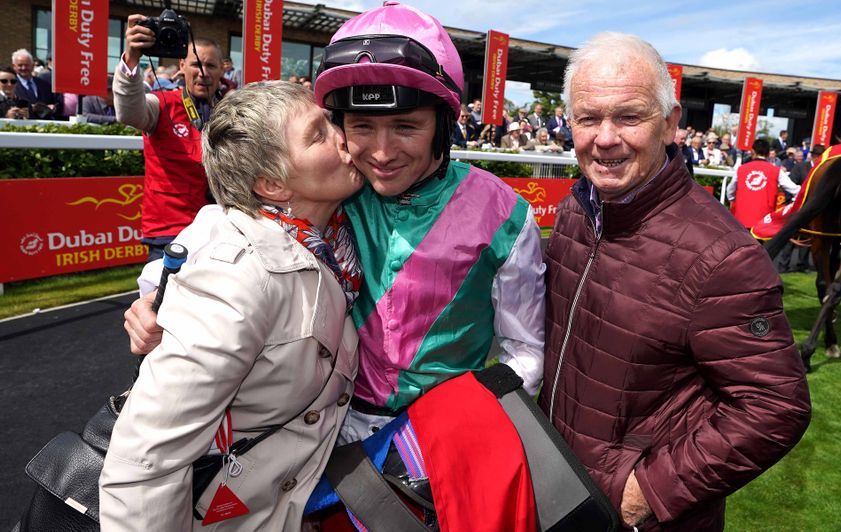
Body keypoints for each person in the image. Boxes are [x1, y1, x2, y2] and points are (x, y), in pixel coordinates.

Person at [125, 0, 544, 442]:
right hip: (325, 436)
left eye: (406, 127)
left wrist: (456, 425)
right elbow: (219, 228)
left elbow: (526, 355)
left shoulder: (506, 216)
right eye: (362, 127)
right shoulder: (335, 186)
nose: (381, 154)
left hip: (440, 443)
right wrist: (152, 299)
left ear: (444, 123)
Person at [539, 32, 810, 531]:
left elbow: (776, 407)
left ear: (669, 125)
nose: (604, 137)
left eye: (628, 116)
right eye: (588, 117)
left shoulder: (722, 256)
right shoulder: (577, 209)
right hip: (556, 489)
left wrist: (644, 493)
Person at [100, 81, 364, 530]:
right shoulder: (238, 276)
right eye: (319, 133)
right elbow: (144, 464)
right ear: (272, 184)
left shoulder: (332, 236)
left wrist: (151, 299)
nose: (344, 136)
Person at [113, 14, 225, 260]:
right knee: (163, 299)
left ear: (222, 69)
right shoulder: (161, 103)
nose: (203, 73)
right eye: (196, 64)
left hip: (221, 229)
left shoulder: (231, 109)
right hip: (170, 230)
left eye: (211, 66)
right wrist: (132, 59)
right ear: (182, 66)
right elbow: (129, 112)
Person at [727, 138, 799, 229]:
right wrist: (792, 204)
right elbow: (796, 190)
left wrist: (734, 199)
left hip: (741, 221)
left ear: (752, 151)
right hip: (764, 224)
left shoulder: (741, 169)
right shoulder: (776, 171)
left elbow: (730, 191)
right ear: (769, 154)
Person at [11, 48, 60, 119]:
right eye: (20, 65)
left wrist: (52, 107)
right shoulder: (10, 84)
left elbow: (54, 103)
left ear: (32, 65)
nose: (24, 68)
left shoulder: (44, 84)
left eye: (27, 65)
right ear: (14, 66)